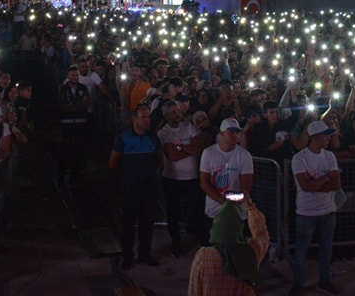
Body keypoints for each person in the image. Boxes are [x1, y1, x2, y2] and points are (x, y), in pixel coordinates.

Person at [290, 121, 341, 295]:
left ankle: (324, 280)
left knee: (326, 248)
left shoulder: (330, 156)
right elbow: (306, 186)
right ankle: (298, 283)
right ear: (315, 137)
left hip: (328, 209)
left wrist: (317, 183)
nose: (329, 138)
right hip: (306, 211)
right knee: (302, 248)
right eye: (326, 135)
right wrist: (326, 178)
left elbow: (336, 184)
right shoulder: (299, 158)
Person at [109, 105, 163, 269]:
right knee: (128, 224)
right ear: (134, 119)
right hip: (130, 188)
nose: (147, 120)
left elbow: (159, 159)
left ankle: (145, 253)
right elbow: (113, 163)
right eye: (143, 117)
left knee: (147, 223)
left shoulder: (153, 138)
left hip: (148, 187)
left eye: (148, 116)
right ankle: (127, 256)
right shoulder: (124, 139)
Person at [187, 197, 269, 296]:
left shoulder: (203, 257)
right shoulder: (252, 252)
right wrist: (250, 207)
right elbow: (261, 233)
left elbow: (194, 291)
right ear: (239, 227)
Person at [157, 99, 204, 256]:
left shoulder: (189, 127)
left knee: (196, 209)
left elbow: (198, 148)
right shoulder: (164, 133)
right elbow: (171, 155)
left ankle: (201, 238)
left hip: (191, 178)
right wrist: (186, 149)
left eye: (178, 111)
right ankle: (176, 243)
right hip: (172, 179)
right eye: (173, 112)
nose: (178, 114)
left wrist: (179, 147)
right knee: (173, 212)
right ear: (166, 115)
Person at [199, 117, 254, 245]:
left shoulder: (244, 156)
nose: (235, 135)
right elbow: (204, 183)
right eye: (231, 132)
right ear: (222, 133)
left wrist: (227, 202)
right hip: (214, 211)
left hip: (237, 212)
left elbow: (245, 187)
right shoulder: (208, 153)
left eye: (237, 132)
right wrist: (224, 202)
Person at [58, 65, 89, 186]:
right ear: (68, 76)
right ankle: (62, 173)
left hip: (81, 121)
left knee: (80, 147)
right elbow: (63, 105)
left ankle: (77, 173)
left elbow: (86, 102)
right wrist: (77, 106)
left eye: (76, 75)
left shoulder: (83, 88)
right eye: (73, 75)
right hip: (67, 122)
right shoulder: (63, 89)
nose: (75, 77)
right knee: (66, 147)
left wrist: (73, 106)